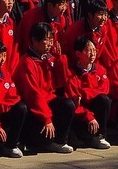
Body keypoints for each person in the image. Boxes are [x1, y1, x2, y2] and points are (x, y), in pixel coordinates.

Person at [15, 22, 75, 153]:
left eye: (51, 39)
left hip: (48, 99)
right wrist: (46, 118)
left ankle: (59, 141)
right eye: (46, 40)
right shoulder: (27, 62)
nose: (49, 43)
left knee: (67, 104)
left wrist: (60, 59)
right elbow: (33, 94)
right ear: (34, 41)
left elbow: (62, 82)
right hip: (34, 106)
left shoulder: (49, 59)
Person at [64, 35, 113, 150]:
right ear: (78, 53)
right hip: (82, 116)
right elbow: (74, 99)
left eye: (94, 50)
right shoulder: (71, 74)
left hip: (95, 110)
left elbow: (104, 89)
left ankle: (101, 136)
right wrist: (88, 116)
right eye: (88, 50)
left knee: (105, 100)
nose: (92, 54)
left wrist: (84, 93)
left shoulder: (100, 70)